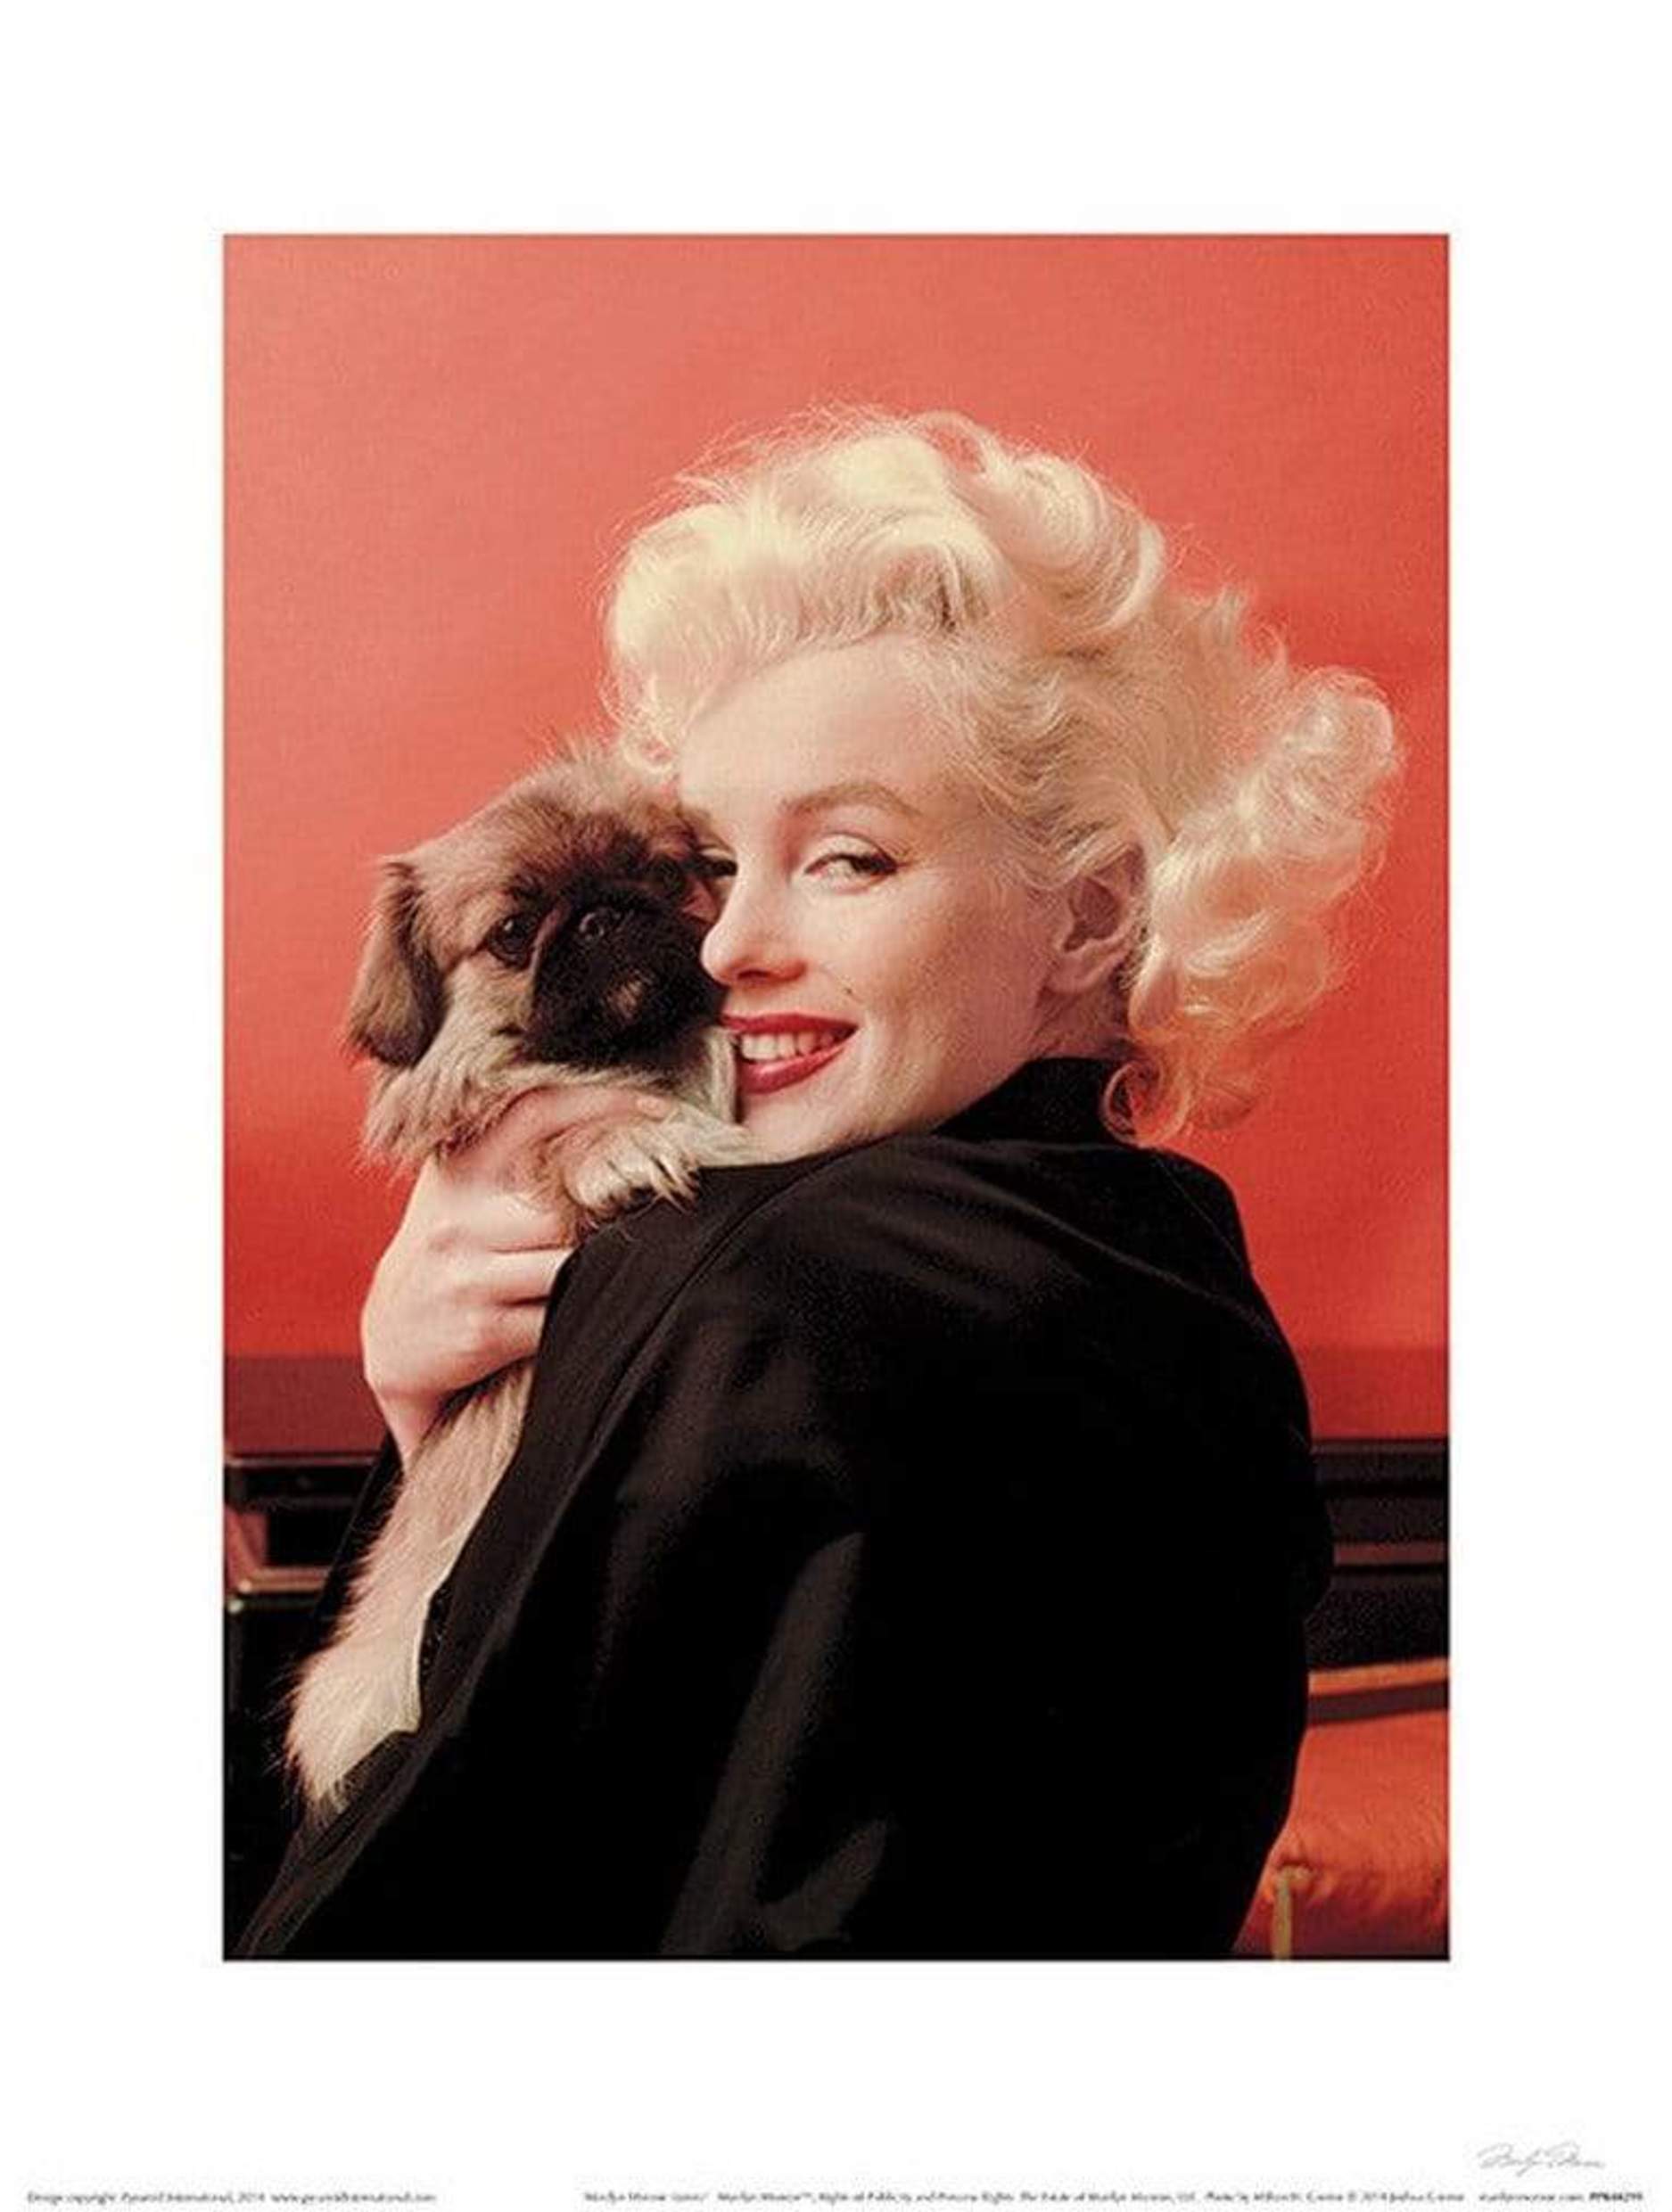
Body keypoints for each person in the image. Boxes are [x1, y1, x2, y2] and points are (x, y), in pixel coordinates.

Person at [235, 409, 1396, 1960]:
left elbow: (431, 1861)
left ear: (1091, 916)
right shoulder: (1169, 1260)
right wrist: (438, 1399)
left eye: (850, 859)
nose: (726, 946)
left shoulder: (762, 1284)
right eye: (717, 865)